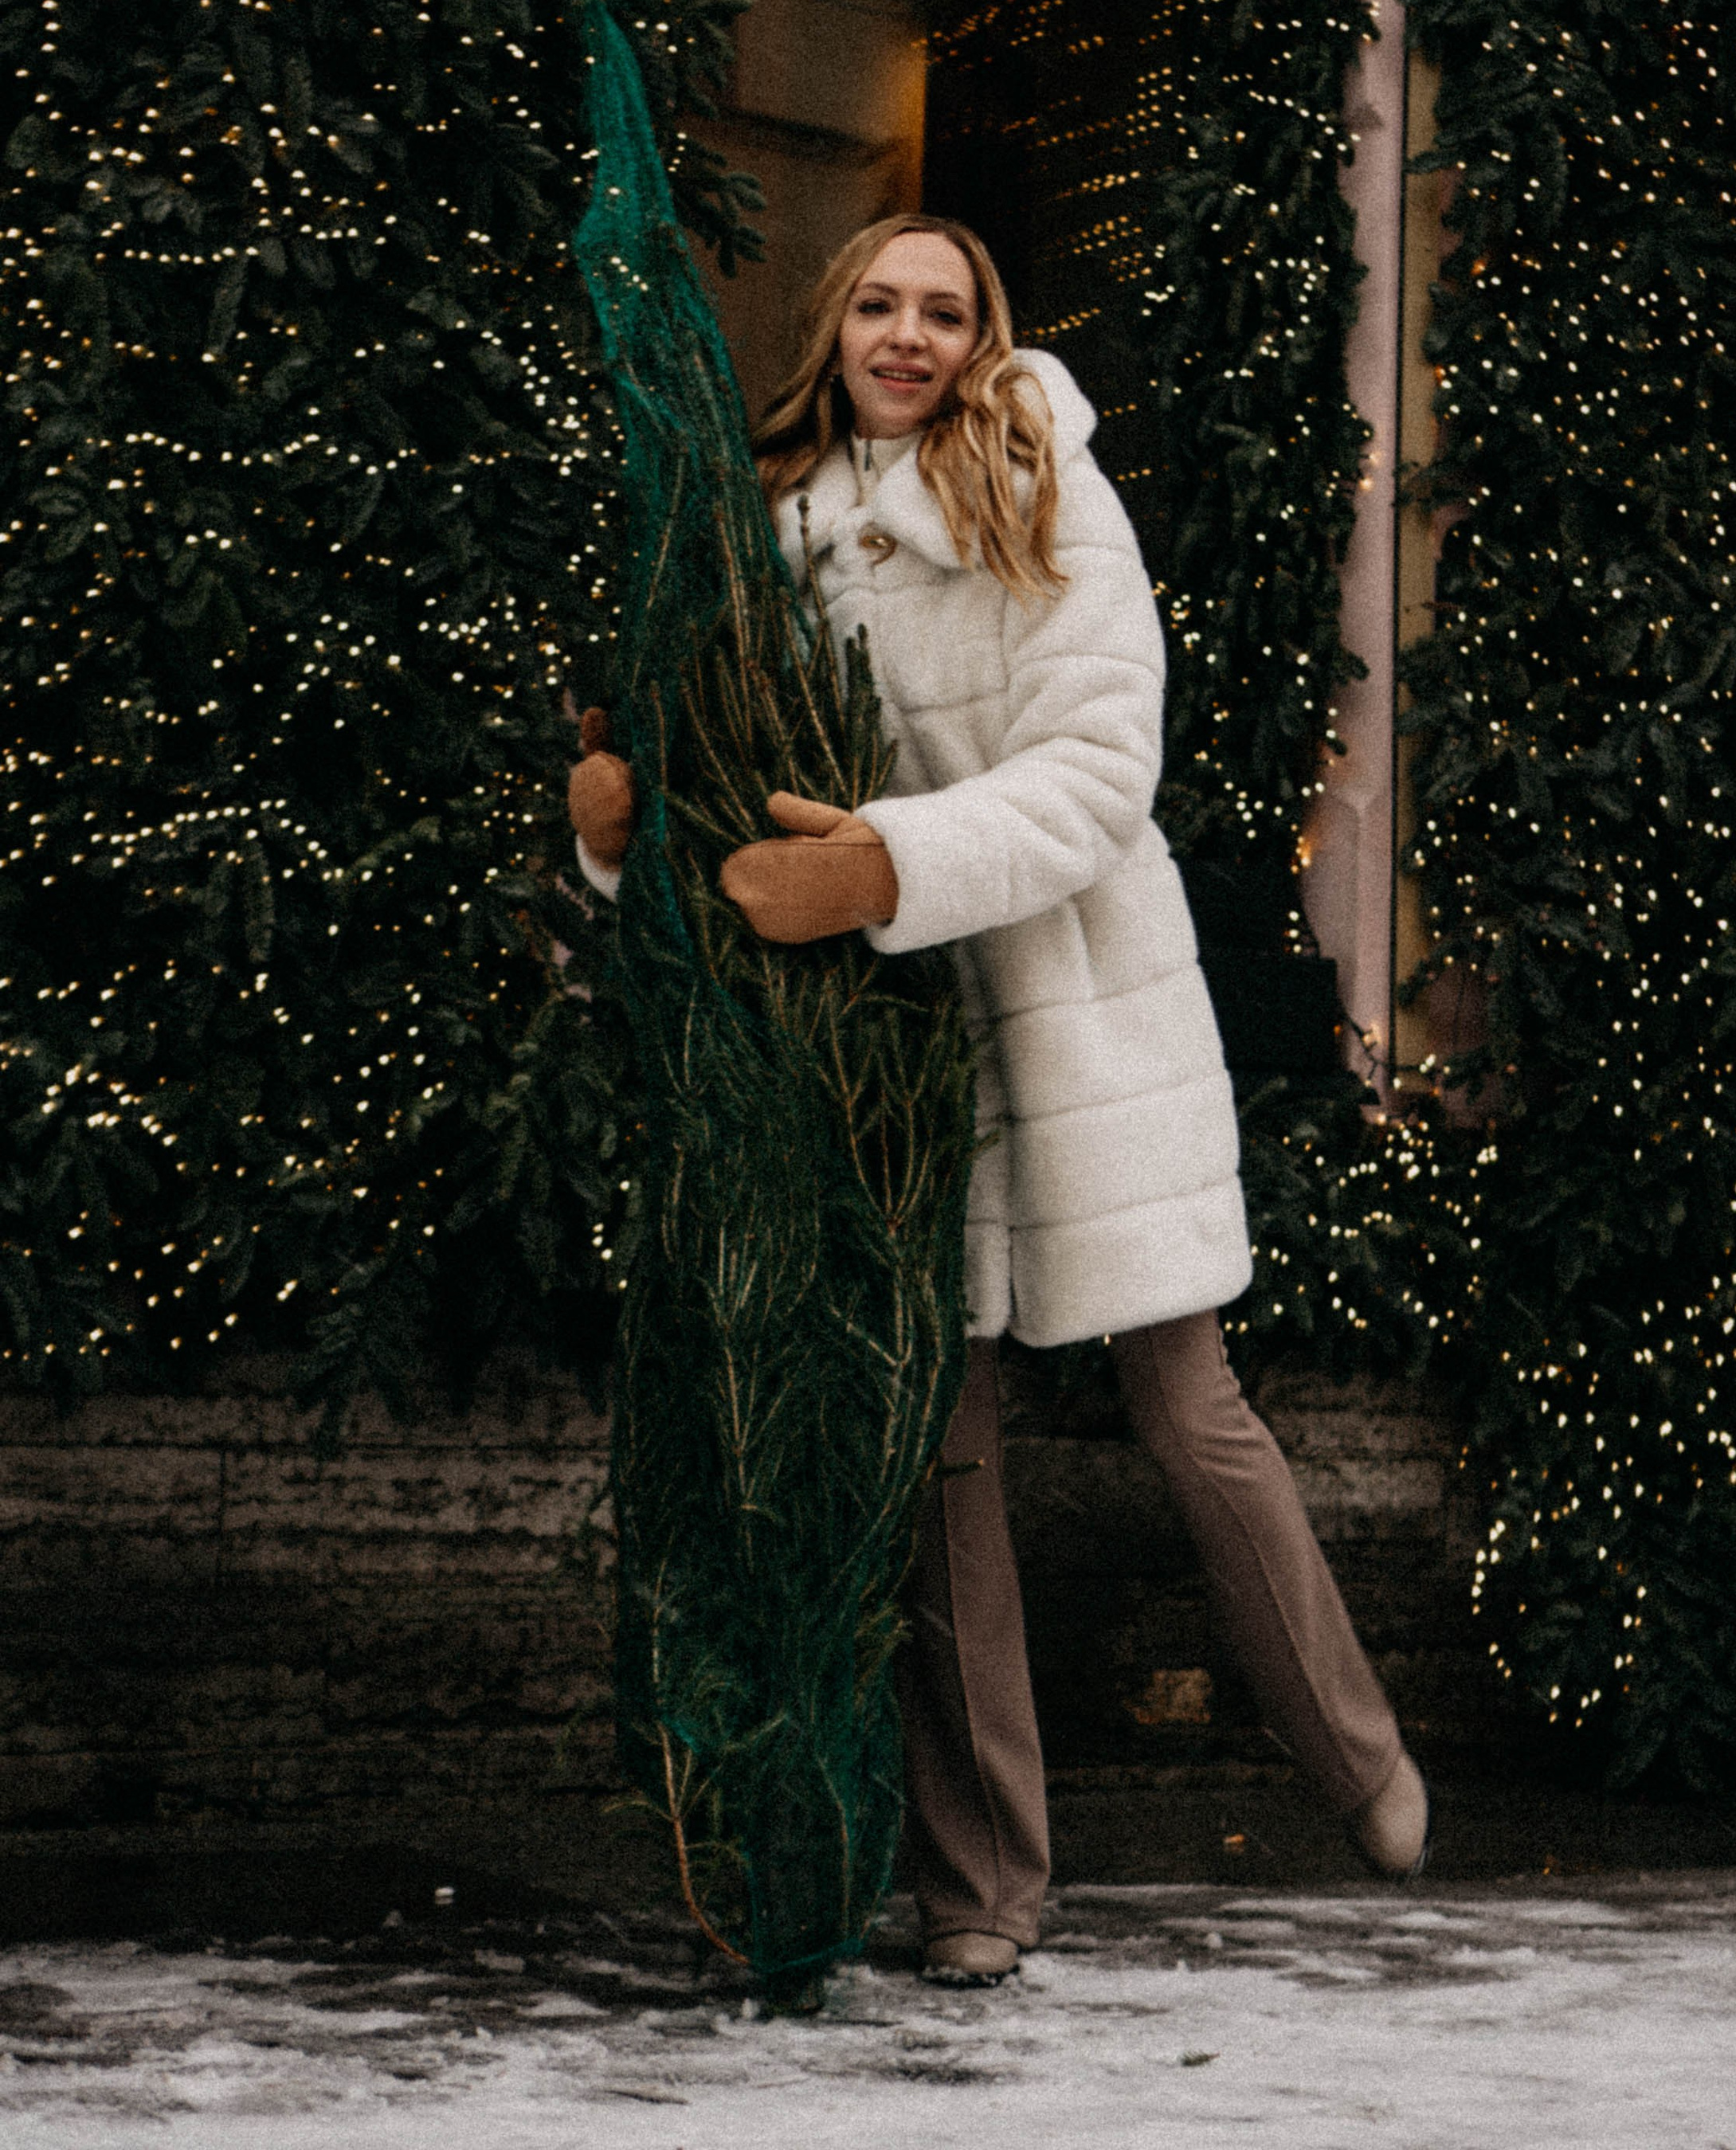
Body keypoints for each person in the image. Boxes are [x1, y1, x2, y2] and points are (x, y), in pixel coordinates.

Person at [568, 213, 1428, 1987]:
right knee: (933, 1461)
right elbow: (726, 782)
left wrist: (894, 861)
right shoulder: (774, 520)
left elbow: (1102, 765)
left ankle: (1358, 1758)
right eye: (876, 301)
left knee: (1191, 1416)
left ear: (984, 334)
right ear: (835, 320)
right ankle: (982, 1890)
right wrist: (614, 845)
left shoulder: (1037, 479)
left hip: (1075, 1007)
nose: (906, 334)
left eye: (942, 309)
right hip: (879, 1052)